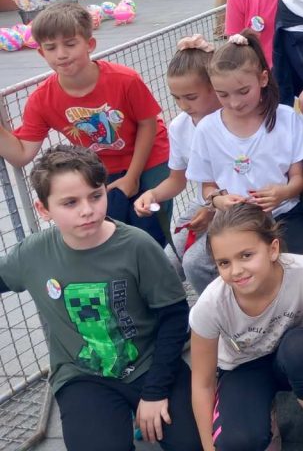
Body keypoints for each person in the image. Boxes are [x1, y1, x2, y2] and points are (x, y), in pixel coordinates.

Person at [0, 146, 201, 451]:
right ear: (43, 209)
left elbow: (174, 318)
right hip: (83, 374)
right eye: (70, 202)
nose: (87, 210)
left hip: (148, 363)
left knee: (193, 443)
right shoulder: (34, 253)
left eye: (96, 196)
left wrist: (155, 391)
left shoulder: (137, 246)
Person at [0, 1, 172, 246]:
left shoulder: (125, 79)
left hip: (150, 157)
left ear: (90, 44)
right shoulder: (42, 99)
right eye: (51, 47)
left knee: (150, 227)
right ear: (41, 53)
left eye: (70, 44)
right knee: (109, 233)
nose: (61, 54)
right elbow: (21, 154)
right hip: (102, 168)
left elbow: (148, 124)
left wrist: (133, 176)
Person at [190, 203, 303, 451]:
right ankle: (263, 417)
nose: (236, 271)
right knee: (236, 442)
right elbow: (202, 383)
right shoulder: (210, 305)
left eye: (246, 255)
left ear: (273, 249)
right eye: (224, 263)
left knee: (301, 351)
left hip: (293, 354)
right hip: (244, 367)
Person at [186, 32, 303, 263]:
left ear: (263, 79)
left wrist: (282, 193)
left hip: (284, 214)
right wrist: (219, 201)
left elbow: (297, 179)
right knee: (199, 265)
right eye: (223, 94)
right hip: (234, 223)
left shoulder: (287, 118)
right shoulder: (207, 129)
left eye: (243, 92)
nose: (234, 102)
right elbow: (207, 187)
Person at [133, 38, 222, 294]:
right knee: (165, 264)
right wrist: (152, 194)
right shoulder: (180, 126)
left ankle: (221, 310)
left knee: (196, 264)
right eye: (176, 98)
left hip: (233, 205)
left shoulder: (232, 121)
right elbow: (177, 179)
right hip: (204, 203)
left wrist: (213, 210)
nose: (183, 105)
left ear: (215, 87)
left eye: (191, 97)